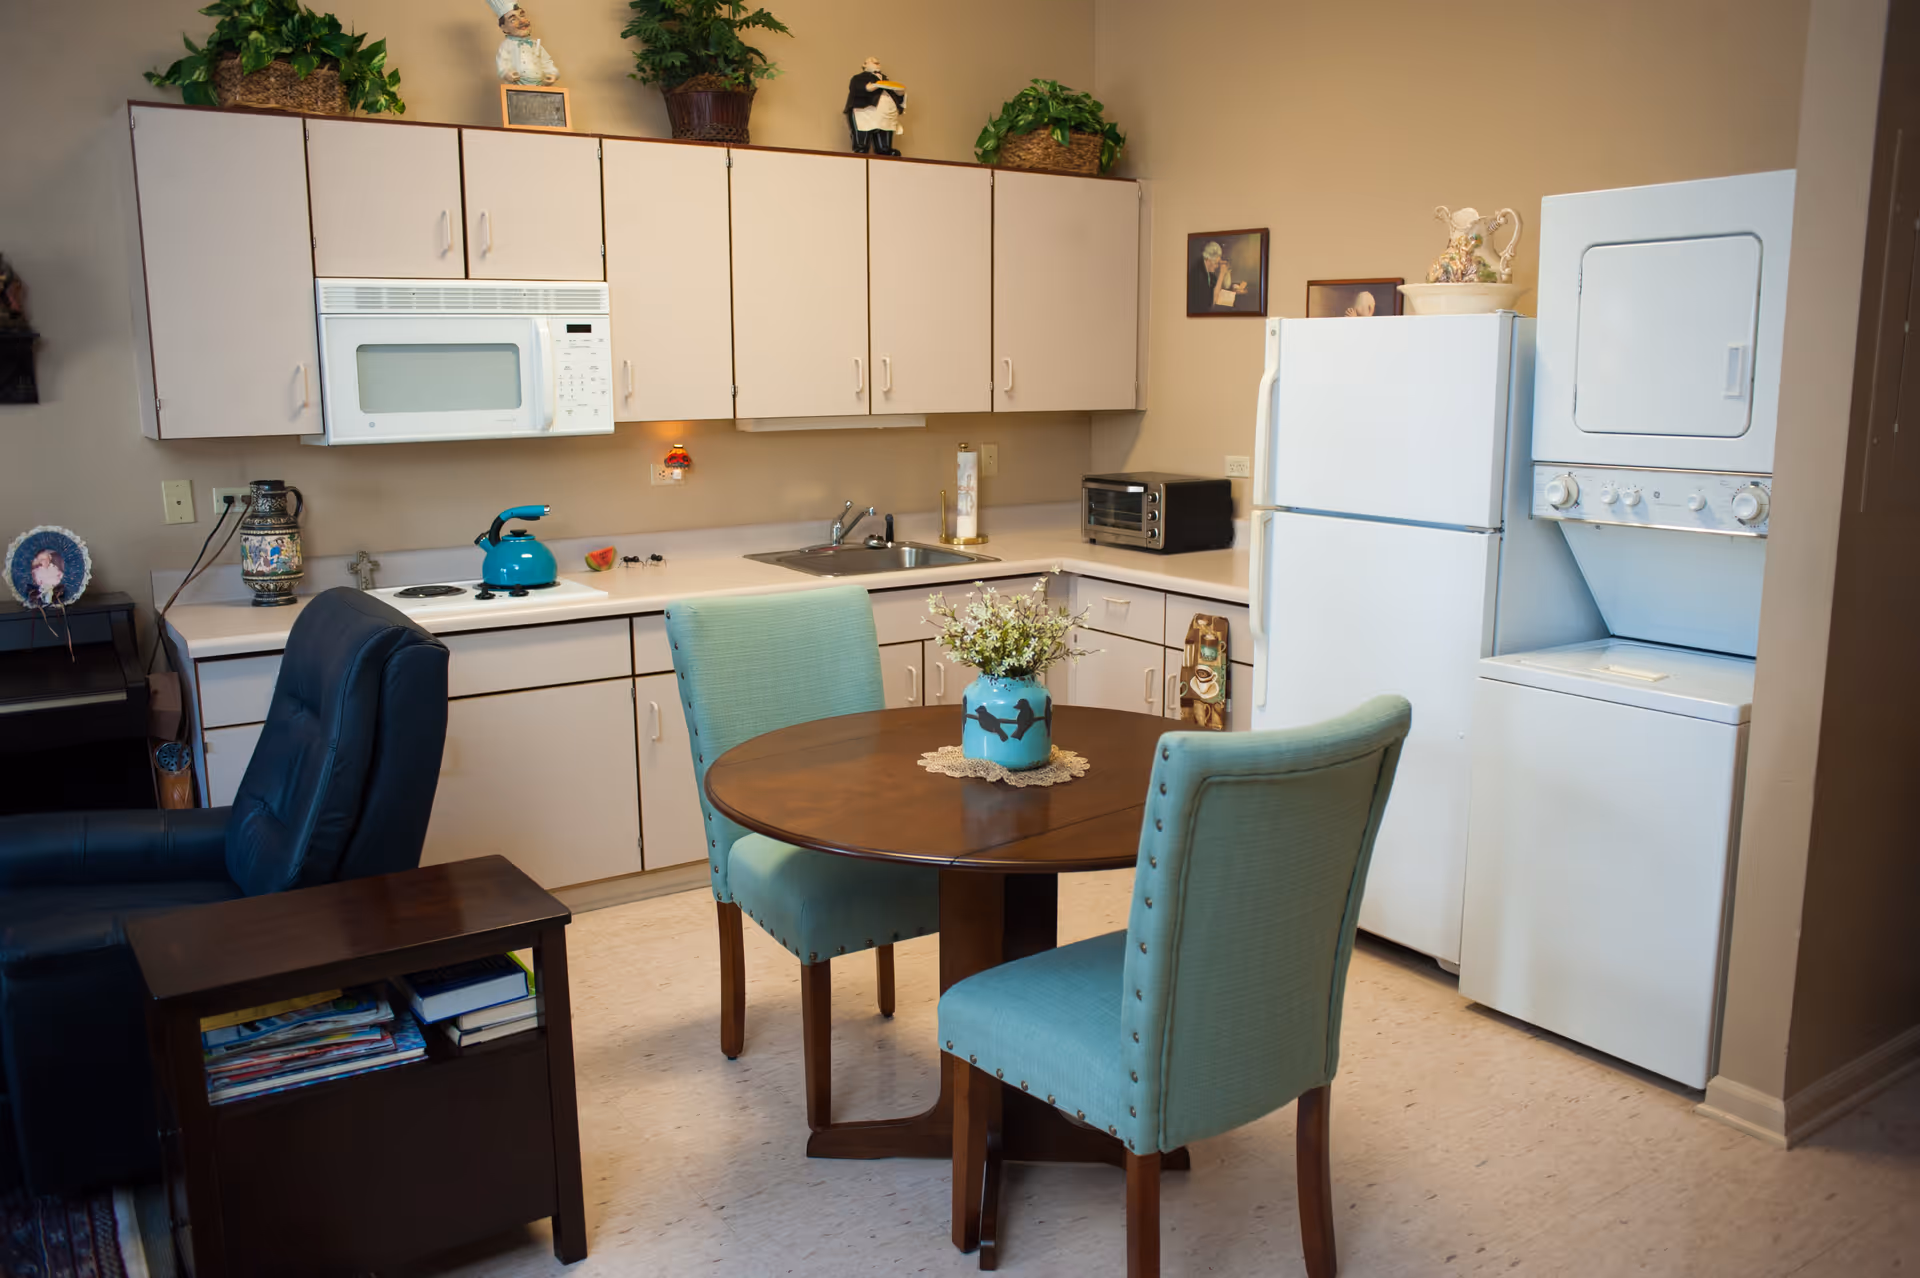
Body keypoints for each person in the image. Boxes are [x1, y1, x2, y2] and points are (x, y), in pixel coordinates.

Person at [488, 0, 559, 86]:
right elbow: (502, 64)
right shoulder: (507, 45)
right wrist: (507, 74)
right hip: (518, 88)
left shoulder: (535, 44)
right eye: (513, 19)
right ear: (504, 28)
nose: (521, 21)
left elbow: (546, 62)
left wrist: (552, 74)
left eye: (522, 15)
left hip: (539, 87)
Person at [845, 57, 904, 156]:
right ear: (864, 65)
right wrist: (875, 86)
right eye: (871, 60)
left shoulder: (886, 79)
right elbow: (862, 88)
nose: (875, 61)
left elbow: (896, 93)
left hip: (884, 114)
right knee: (863, 129)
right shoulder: (859, 78)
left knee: (884, 129)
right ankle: (861, 146)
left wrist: (899, 93)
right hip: (866, 111)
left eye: (876, 61)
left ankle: (884, 148)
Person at [1188, 241, 1249, 312]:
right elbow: (1211, 303)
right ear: (1208, 260)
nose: (1217, 266)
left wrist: (1225, 273)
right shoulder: (1198, 275)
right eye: (1216, 263)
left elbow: (1219, 288)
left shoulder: (1209, 271)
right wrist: (1221, 274)